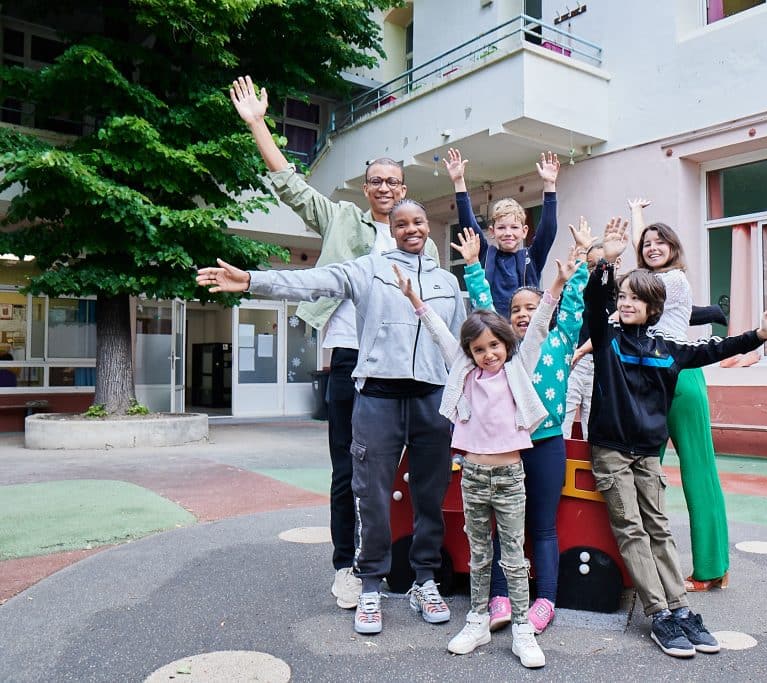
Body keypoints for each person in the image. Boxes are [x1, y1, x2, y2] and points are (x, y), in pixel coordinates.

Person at [197, 199, 464, 636]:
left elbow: (457, 343)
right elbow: (308, 283)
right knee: (371, 497)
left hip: (432, 400)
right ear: (391, 230)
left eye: (418, 222)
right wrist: (250, 281)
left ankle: (424, 581)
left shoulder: (447, 283)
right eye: (402, 224)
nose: (411, 229)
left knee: (429, 497)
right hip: (377, 396)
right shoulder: (368, 269)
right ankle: (371, 586)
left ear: (428, 228)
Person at [229, 75, 442, 611]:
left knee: (414, 468)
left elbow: (439, 308)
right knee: (350, 469)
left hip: (409, 367)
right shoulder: (342, 219)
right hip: (349, 359)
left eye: (394, 180)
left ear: (404, 186)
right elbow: (291, 186)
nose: (386, 188)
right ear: (366, 187)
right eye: (376, 181)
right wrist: (258, 123)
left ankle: (417, 571)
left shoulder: (419, 237)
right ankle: (347, 566)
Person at [585, 221, 767, 658]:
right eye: (622, 297)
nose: (625, 304)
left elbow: (715, 350)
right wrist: (606, 261)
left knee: (658, 526)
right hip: (612, 450)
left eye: (634, 299)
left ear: (653, 308)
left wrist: (759, 336)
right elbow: (593, 304)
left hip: (644, 453)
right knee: (631, 528)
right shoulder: (609, 340)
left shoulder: (669, 350)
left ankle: (680, 609)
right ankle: (659, 614)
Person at [394, 252, 579, 668]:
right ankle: (477, 618)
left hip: (511, 475)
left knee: (514, 555)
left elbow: (538, 328)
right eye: (479, 349)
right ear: (470, 353)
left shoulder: (519, 367)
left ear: (506, 345)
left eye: (494, 345)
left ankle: (523, 630)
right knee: (480, 553)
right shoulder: (465, 374)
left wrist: (556, 287)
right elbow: (442, 334)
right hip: (474, 475)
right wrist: (415, 301)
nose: (488, 354)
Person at [451, 222, 591, 634]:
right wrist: (474, 265)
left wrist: (581, 258)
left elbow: (573, 301)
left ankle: (545, 599)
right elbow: (481, 308)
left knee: (542, 526)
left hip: (547, 443)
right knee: (500, 527)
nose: (524, 314)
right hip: (504, 449)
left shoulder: (562, 336)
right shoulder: (507, 351)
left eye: (532, 308)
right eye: (516, 311)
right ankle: (499, 598)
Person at [628, 198, 730, 592]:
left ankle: (710, 566)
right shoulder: (649, 278)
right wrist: (637, 213)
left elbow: (635, 301)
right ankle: (644, 564)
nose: (652, 247)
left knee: (697, 471)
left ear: (673, 249)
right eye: (647, 243)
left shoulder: (672, 281)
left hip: (679, 377)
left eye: (660, 242)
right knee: (642, 469)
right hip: (648, 381)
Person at [444, 148, 559, 318]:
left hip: (525, 332)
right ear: (492, 231)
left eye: (514, 227)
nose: (508, 233)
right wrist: (459, 181)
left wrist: (549, 185)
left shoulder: (532, 257)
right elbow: (468, 223)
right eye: (501, 227)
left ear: (524, 231)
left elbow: (548, 228)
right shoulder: (485, 254)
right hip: (491, 331)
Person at [561, 239, 610, 441]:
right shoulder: (576, 292)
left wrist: (583, 351)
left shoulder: (617, 293)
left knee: (595, 424)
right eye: (590, 265)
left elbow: (608, 330)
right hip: (573, 362)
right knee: (564, 416)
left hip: (598, 363)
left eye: (600, 265)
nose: (594, 270)